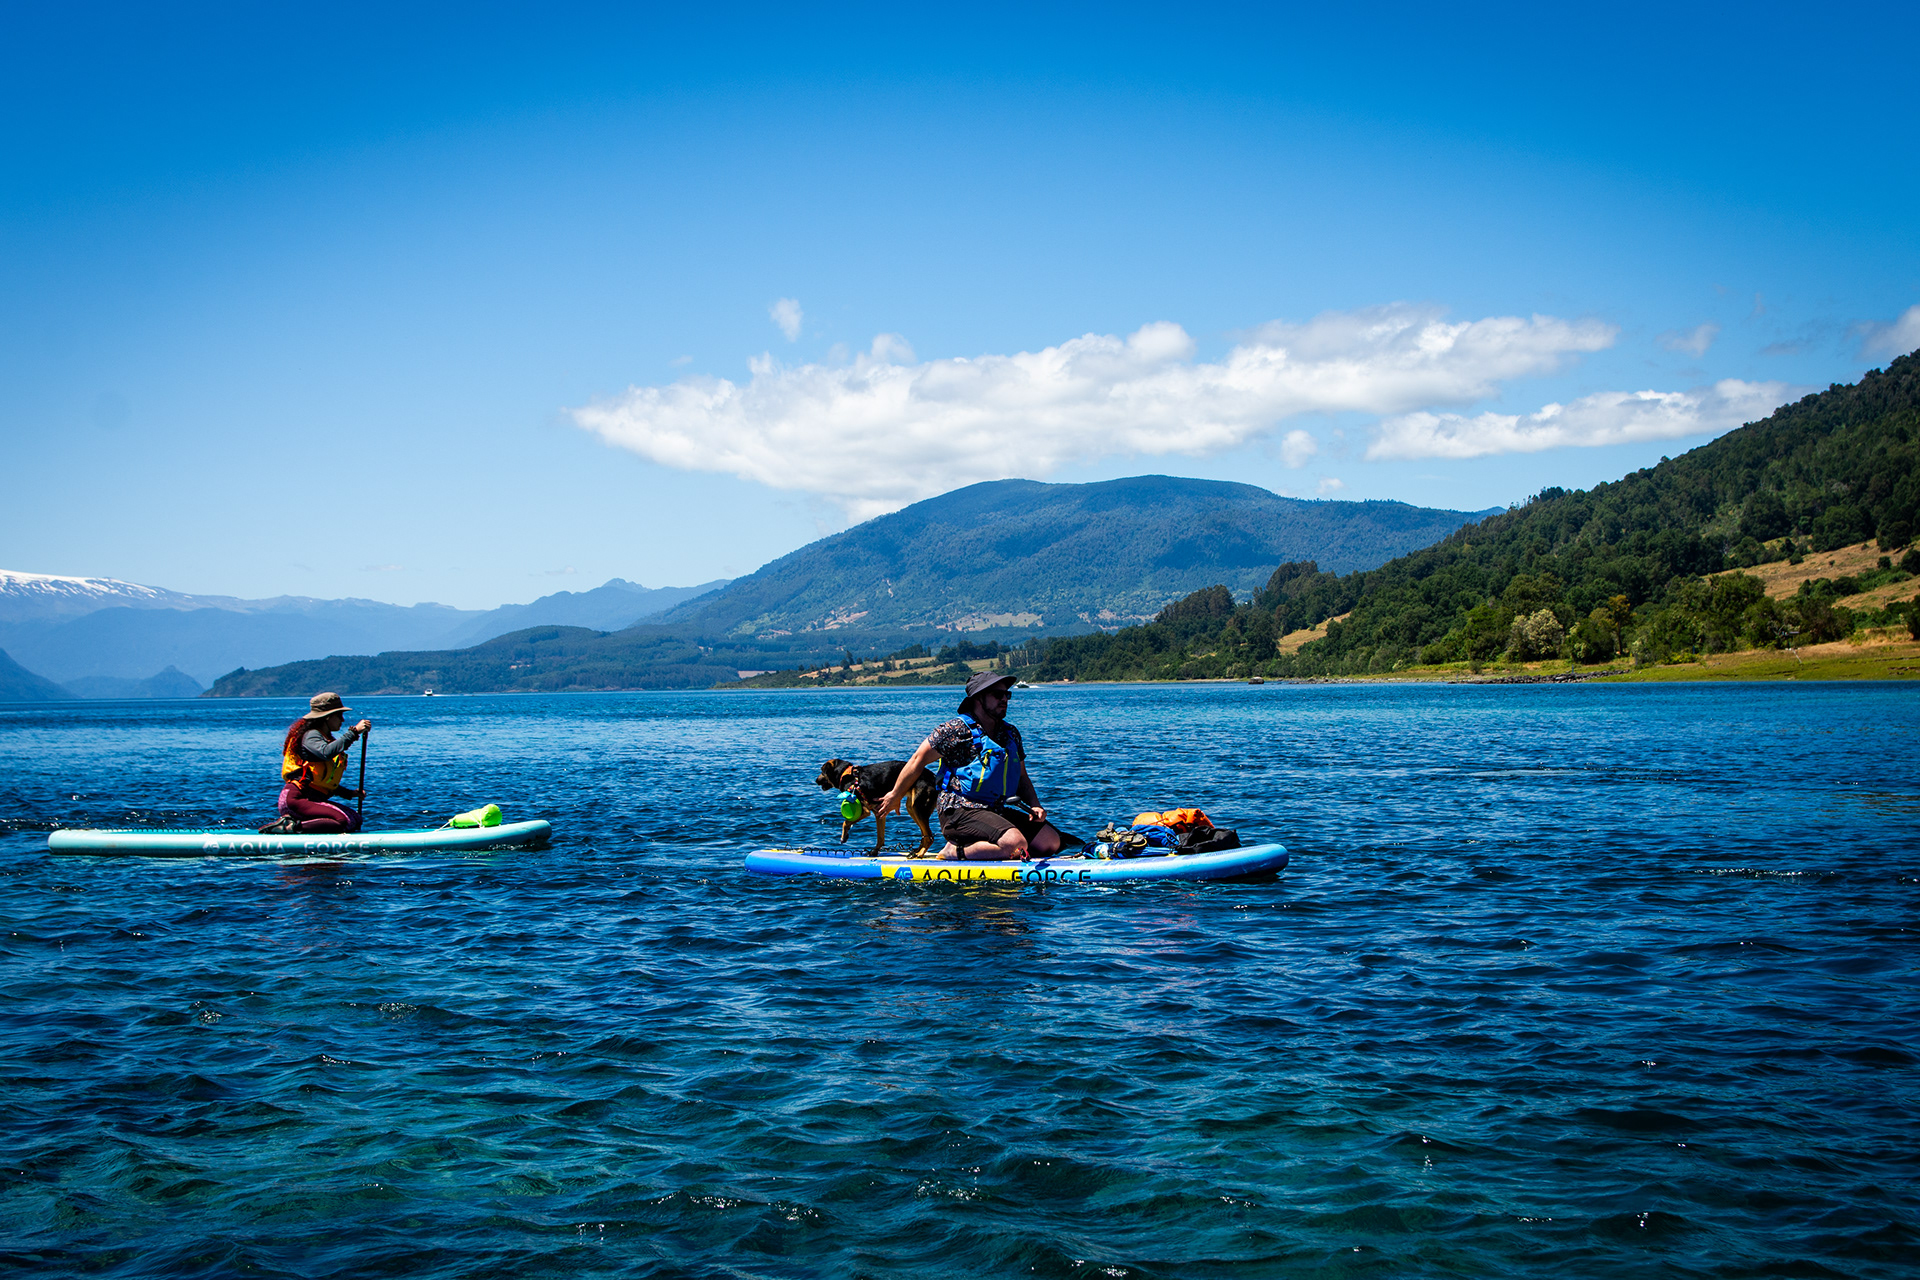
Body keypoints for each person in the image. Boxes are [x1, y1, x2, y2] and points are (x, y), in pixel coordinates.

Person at [876, 671, 1071, 860]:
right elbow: (917, 760)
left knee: (1050, 842)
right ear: (978, 698)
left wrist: (1035, 805)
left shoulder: (1011, 733)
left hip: (994, 810)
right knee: (1016, 844)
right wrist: (895, 794)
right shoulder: (954, 730)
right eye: (997, 694)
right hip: (958, 811)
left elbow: (1021, 777)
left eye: (1007, 694)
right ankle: (954, 851)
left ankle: (1004, 851)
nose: (1005, 699)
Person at [260, 692, 372, 834]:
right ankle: (290, 827)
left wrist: (349, 793)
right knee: (342, 821)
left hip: (312, 798)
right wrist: (354, 732)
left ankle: (297, 826)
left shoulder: (323, 737)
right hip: (297, 798)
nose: (342, 720)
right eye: (339, 715)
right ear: (327, 717)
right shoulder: (311, 735)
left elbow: (320, 780)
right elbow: (326, 752)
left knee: (355, 819)